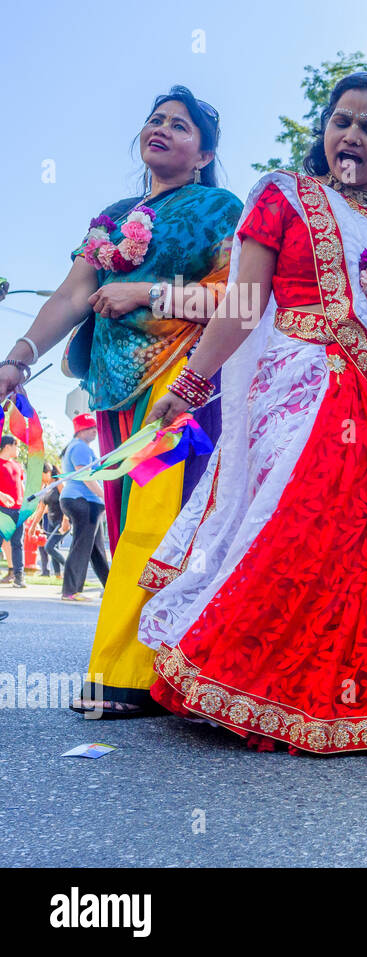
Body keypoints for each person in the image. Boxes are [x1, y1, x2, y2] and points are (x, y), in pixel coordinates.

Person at [138, 71, 367, 756]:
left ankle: (363, 704)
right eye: (341, 119)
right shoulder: (284, 194)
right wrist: (192, 386)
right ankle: (268, 692)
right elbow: (241, 303)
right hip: (304, 390)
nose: (351, 134)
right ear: (325, 129)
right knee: (302, 532)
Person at [0, 86, 240, 714]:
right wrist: (19, 357)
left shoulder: (220, 208)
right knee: (130, 513)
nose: (160, 129)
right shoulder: (110, 215)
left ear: (203, 153)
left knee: (158, 521)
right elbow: (72, 294)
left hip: (183, 383)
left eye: (179, 126)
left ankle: (130, 676)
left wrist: (148, 294)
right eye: (154, 120)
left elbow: (243, 303)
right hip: (113, 391)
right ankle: (159, 669)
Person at [58, 416, 111, 602]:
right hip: (82, 500)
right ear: (80, 430)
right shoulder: (80, 447)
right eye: (90, 428)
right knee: (81, 546)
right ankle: (71, 591)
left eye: (96, 428)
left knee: (96, 548)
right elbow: (86, 477)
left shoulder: (78, 446)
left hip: (85, 501)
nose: (95, 431)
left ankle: (111, 587)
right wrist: (106, 497)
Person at [31, 463, 68, 578]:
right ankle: (58, 576)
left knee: (49, 547)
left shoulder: (59, 483)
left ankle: (70, 569)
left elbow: (67, 502)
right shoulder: (45, 488)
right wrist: (33, 526)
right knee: (53, 549)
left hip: (62, 521)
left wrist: (65, 519)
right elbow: (41, 509)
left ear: (47, 473)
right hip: (51, 522)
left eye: (41, 475)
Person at [0, 436, 26, 588]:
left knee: (18, 544)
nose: (19, 449)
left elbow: (21, 485)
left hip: (18, 510)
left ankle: (19, 577)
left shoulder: (17, 465)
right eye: (17, 446)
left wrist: (25, 505)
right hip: (2, 510)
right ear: (7, 446)